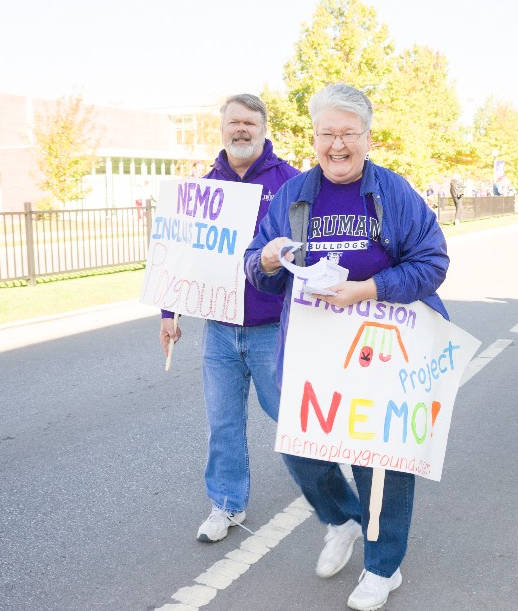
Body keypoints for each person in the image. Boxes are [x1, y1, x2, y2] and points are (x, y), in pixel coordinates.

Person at [245, 83, 449, 611]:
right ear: (313, 137)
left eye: (348, 134)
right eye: (327, 134)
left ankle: (383, 566)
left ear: (367, 136)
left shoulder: (393, 193)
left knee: (381, 462)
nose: (337, 145)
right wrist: (265, 261)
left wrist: (369, 289)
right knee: (300, 448)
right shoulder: (293, 195)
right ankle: (342, 520)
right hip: (313, 351)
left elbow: (432, 263)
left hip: (383, 348)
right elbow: (257, 269)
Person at [157, 94, 299, 543]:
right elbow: (181, 257)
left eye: (250, 122)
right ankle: (226, 504)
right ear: (221, 128)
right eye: (234, 122)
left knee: (290, 415)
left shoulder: (291, 183)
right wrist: (169, 313)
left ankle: (330, 486)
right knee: (223, 423)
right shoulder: (203, 189)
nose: (241, 129)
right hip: (219, 329)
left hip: (272, 326)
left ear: (263, 128)